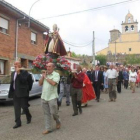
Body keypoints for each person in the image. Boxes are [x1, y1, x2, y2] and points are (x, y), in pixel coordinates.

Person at [8, 61, 33, 129]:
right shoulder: (13, 73)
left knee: (24, 107)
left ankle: (28, 116)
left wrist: (19, 73)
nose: (15, 65)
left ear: (20, 65)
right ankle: (18, 122)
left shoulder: (25, 73)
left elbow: (24, 81)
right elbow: (12, 83)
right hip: (15, 93)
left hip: (23, 93)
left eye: (17, 64)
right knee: (16, 108)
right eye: (14, 64)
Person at [39, 63, 60, 134]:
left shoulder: (56, 75)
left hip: (52, 96)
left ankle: (57, 121)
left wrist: (46, 77)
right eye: (47, 66)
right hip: (44, 96)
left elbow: (54, 83)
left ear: (53, 67)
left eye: (49, 66)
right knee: (46, 113)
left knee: (54, 112)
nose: (48, 68)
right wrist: (42, 77)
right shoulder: (45, 75)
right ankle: (48, 128)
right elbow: (40, 84)